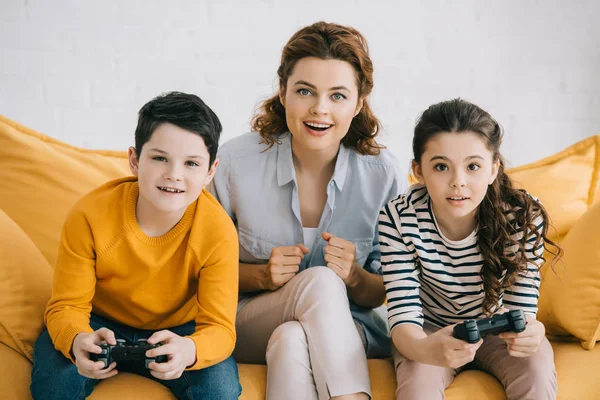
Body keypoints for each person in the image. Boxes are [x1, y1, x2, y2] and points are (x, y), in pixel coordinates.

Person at [209, 21, 407, 400]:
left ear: (359, 102)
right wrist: (261, 276)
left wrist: (353, 276)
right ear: (283, 92)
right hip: (248, 320)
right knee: (320, 281)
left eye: (337, 95)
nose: (320, 109)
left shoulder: (384, 176)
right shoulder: (235, 162)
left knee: (292, 338)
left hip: (350, 327)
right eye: (305, 91)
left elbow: (386, 291)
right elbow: (199, 271)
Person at [30, 92, 242, 400]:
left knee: (219, 391)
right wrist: (78, 339)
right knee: (53, 386)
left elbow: (221, 329)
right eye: (159, 158)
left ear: (210, 171)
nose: (174, 174)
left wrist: (190, 350)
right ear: (134, 160)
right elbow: (66, 306)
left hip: (179, 331)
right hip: (96, 323)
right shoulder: (88, 215)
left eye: (192, 163)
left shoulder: (218, 232)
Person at [379, 98, 562, 400]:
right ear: (418, 172)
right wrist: (425, 349)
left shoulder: (524, 216)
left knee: (536, 369)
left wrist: (532, 333)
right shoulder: (398, 217)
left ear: (493, 170)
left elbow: (523, 309)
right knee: (417, 385)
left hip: (499, 329)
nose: (458, 182)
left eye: (473, 166)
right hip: (430, 331)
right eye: (441, 167)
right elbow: (403, 317)